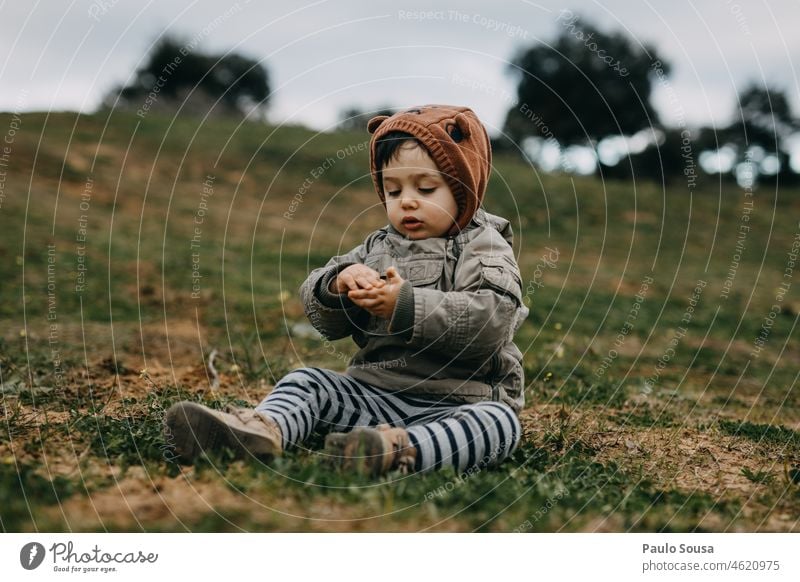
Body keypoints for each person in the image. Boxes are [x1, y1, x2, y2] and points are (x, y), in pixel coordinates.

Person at [165, 104, 529, 477]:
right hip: (375, 396)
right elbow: (325, 316)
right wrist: (337, 284)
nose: (407, 200)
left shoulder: (484, 247)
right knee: (307, 382)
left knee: (498, 424)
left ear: (465, 186)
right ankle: (260, 431)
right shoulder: (377, 248)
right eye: (392, 190)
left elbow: (491, 321)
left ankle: (396, 452)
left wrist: (405, 305)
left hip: (456, 402)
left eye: (425, 188)